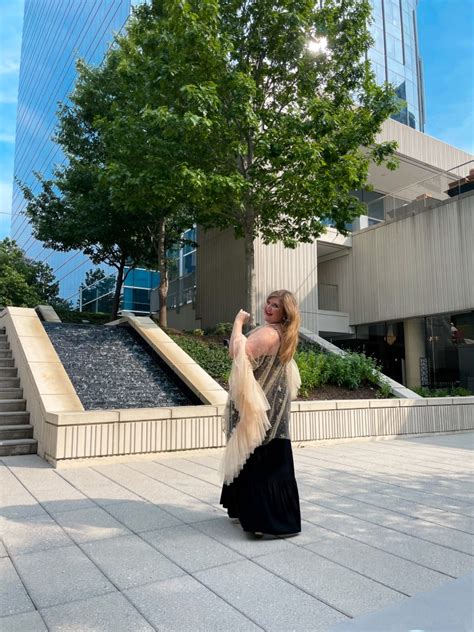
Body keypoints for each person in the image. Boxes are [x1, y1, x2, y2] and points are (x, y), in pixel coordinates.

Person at [219, 289, 302, 537]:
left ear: (285, 313)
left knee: (256, 455)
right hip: (272, 406)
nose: (268, 307)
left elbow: (236, 352)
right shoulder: (284, 334)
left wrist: (237, 323)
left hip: (257, 407)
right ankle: (250, 510)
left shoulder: (268, 333)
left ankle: (265, 520)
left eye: (275, 306)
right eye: (268, 302)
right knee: (266, 455)